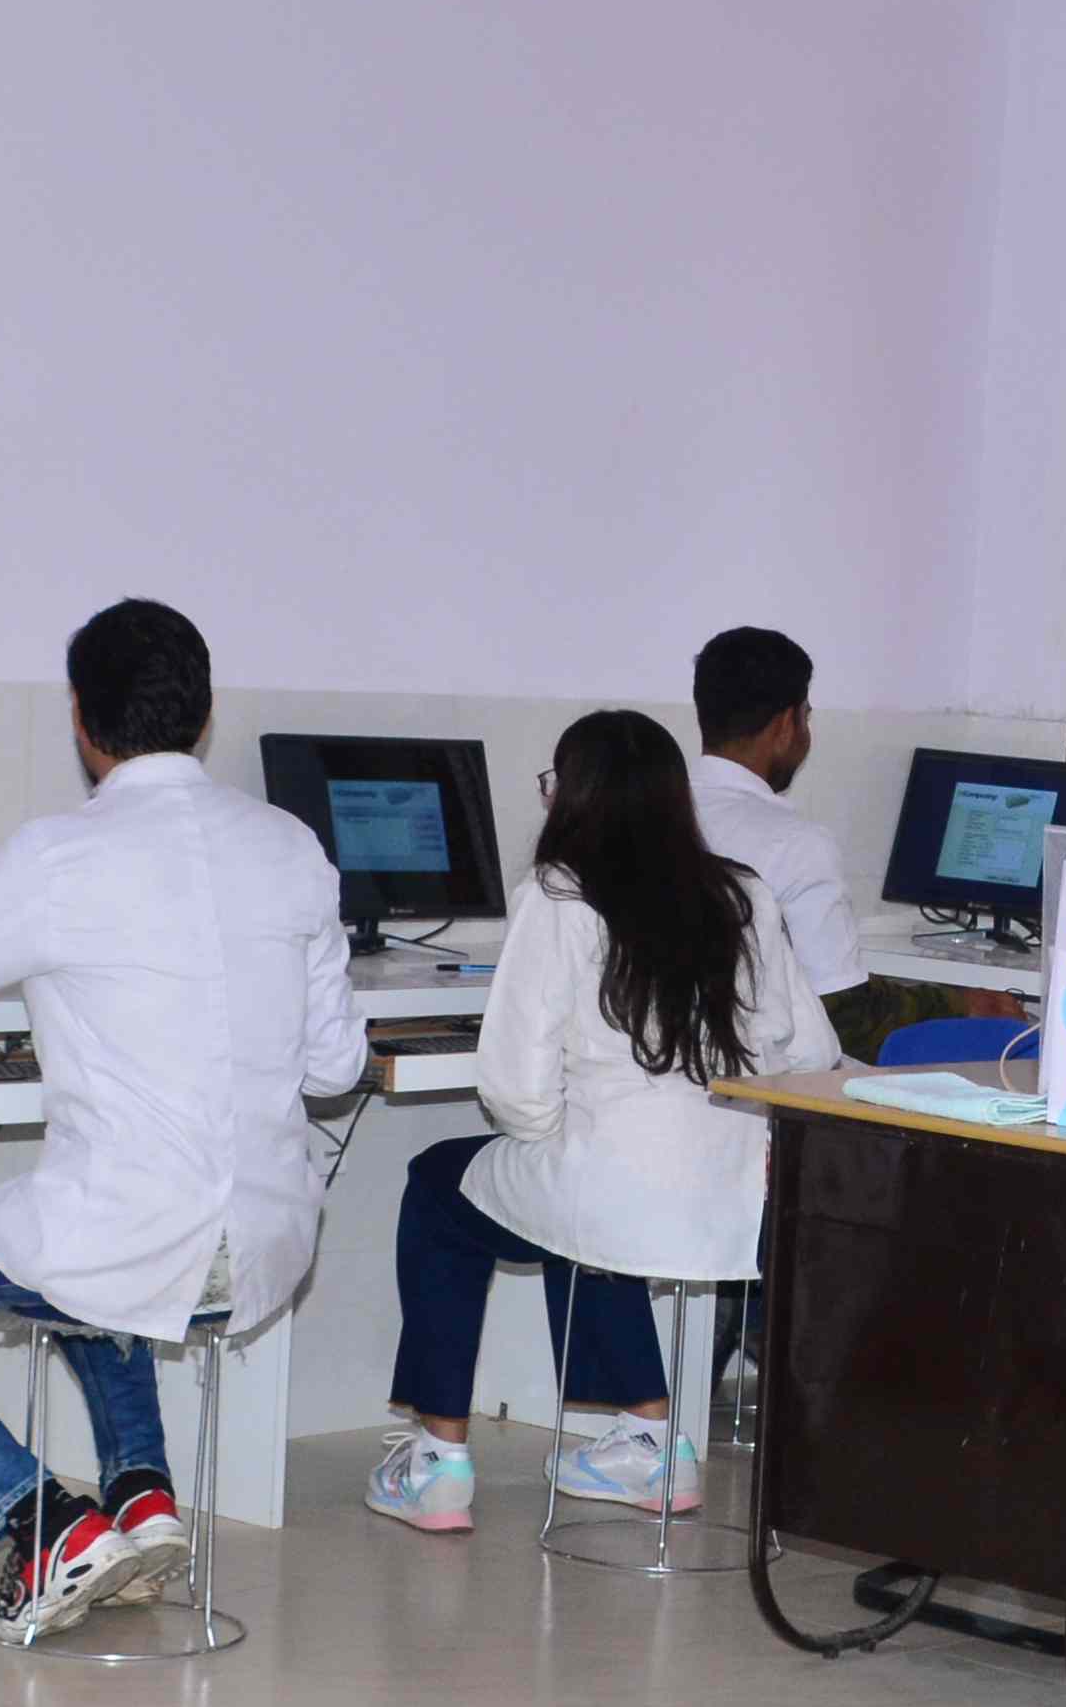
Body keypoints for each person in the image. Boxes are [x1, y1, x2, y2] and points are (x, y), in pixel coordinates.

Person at [0, 600, 363, 1642]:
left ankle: (40, 1518)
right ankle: (139, 1497)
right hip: (266, 1244)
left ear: (82, 722)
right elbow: (338, 1064)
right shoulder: (290, 848)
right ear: (205, 713)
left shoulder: (63, 855)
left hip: (133, 1238)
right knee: (104, 1246)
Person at [372, 708, 819, 1534]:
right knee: (575, 1201)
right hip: (735, 1201)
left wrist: (556, 1147)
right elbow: (809, 1051)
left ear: (574, 798)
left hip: (617, 1192)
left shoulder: (560, 894)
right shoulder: (745, 892)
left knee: (440, 1183)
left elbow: (513, 1088)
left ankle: (437, 1461)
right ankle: (649, 1444)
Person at [688, 624, 880, 1060]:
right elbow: (844, 1015)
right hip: (764, 1096)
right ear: (785, 725)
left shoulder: (642, 815)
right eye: (806, 716)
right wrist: (964, 1005)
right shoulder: (796, 844)